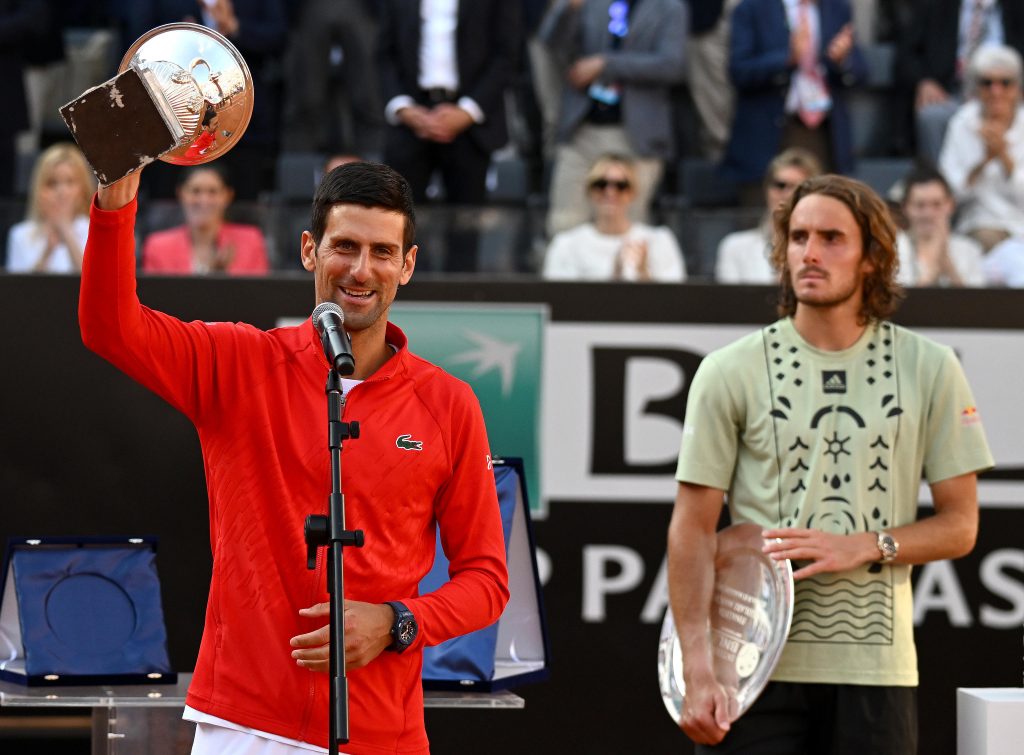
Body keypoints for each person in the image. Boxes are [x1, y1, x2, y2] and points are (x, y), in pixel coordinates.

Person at [80, 161, 510, 754]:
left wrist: (395, 621)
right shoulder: (240, 363)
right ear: (310, 250)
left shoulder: (449, 404)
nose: (361, 270)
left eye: (383, 251)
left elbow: (486, 581)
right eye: (345, 247)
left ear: (407, 265)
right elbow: (109, 326)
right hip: (245, 727)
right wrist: (116, 198)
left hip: (384, 732)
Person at [667, 174, 993, 753]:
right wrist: (695, 666)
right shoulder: (727, 369)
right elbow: (692, 529)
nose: (809, 253)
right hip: (747, 668)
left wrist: (865, 545)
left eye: (831, 238)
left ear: (872, 257)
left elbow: (961, 526)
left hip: (876, 674)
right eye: (797, 237)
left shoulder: (932, 367)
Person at [539, 0, 689, 236]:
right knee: (563, 226)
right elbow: (553, 46)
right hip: (583, 129)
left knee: (627, 228)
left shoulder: (669, 7)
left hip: (638, 135)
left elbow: (672, 65)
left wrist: (606, 65)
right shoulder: (591, 3)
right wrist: (568, 9)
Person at [376, 0, 522, 204]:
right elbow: (384, 53)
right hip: (409, 119)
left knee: (467, 222)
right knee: (396, 221)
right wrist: (403, 107)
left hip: (472, 123)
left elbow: (507, 53)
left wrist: (468, 111)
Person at [723, 0, 867, 195]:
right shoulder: (752, 8)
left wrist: (841, 61)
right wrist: (786, 59)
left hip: (823, 132)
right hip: (769, 132)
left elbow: (860, 72)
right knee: (770, 212)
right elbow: (739, 72)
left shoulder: (837, 7)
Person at [897, 0, 1024, 164]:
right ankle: (937, 182)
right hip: (951, 93)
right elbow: (907, 54)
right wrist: (924, 81)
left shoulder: (1017, 7)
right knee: (931, 115)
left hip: (1006, 94)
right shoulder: (935, 5)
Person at [542, 154, 686, 281]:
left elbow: (676, 302)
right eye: (601, 184)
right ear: (589, 190)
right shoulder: (566, 245)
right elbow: (559, 301)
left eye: (621, 186)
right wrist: (613, 278)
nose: (610, 192)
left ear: (632, 193)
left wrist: (644, 275)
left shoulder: (658, 240)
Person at [938, 43, 1024, 251]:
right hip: (975, 225)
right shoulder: (961, 123)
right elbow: (949, 195)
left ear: (1018, 89)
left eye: (1005, 83)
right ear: (976, 88)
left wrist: (1004, 158)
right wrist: (983, 162)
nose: (996, 91)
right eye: (987, 83)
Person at [715, 147, 822, 283]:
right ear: (767, 189)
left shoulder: (824, 251)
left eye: (796, 187)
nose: (786, 194)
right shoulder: (735, 247)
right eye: (780, 185)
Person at [141, 165, 269, 275]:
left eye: (213, 192)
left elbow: (258, 296)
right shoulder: (157, 246)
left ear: (228, 196)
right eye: (195, 191)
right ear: (180, 193)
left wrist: (222, 277)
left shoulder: (250, 241)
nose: (204, 200)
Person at [5, 142, 93, 273]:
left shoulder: (94, 231)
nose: (61, 192)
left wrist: (66, 230)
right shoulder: (21, 235)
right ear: (38, 190)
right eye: (52, 183)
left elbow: (96, 282)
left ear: (83, 189)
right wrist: (47, 251)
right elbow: (18, 289)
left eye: (70, 182)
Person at [896, 165, 985, 286]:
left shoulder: (969, 249)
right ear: (905, 207)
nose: (928, 214)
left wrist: (946, 263)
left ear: (950, 205)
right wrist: (932, 272)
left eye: (936, 204)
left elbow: (978, 302)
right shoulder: (894, 249)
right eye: (919, 205)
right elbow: (897, 303)